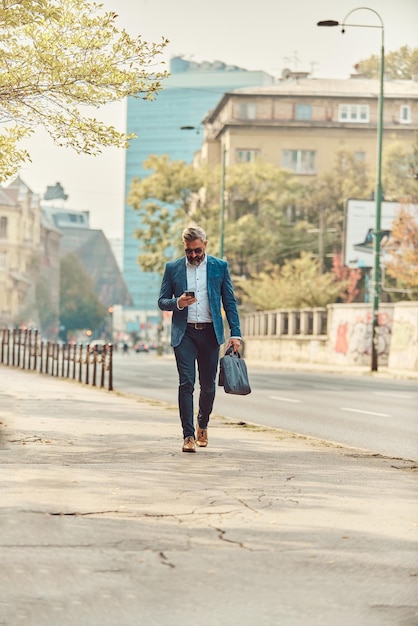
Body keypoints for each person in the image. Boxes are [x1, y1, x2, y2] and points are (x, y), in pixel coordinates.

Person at [158, 226, 241, 453]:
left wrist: (235, 334)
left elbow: (229, 302)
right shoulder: (173, 268)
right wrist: (177, 303)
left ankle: (202, 423)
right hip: (184, 333)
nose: (193, 255)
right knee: (186, 383)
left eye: (197, 250)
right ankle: (188, 435)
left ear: (205, 245)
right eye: (188, 251)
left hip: (210, 333)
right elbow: (162, 300)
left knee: (208, 386)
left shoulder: (219, 267)